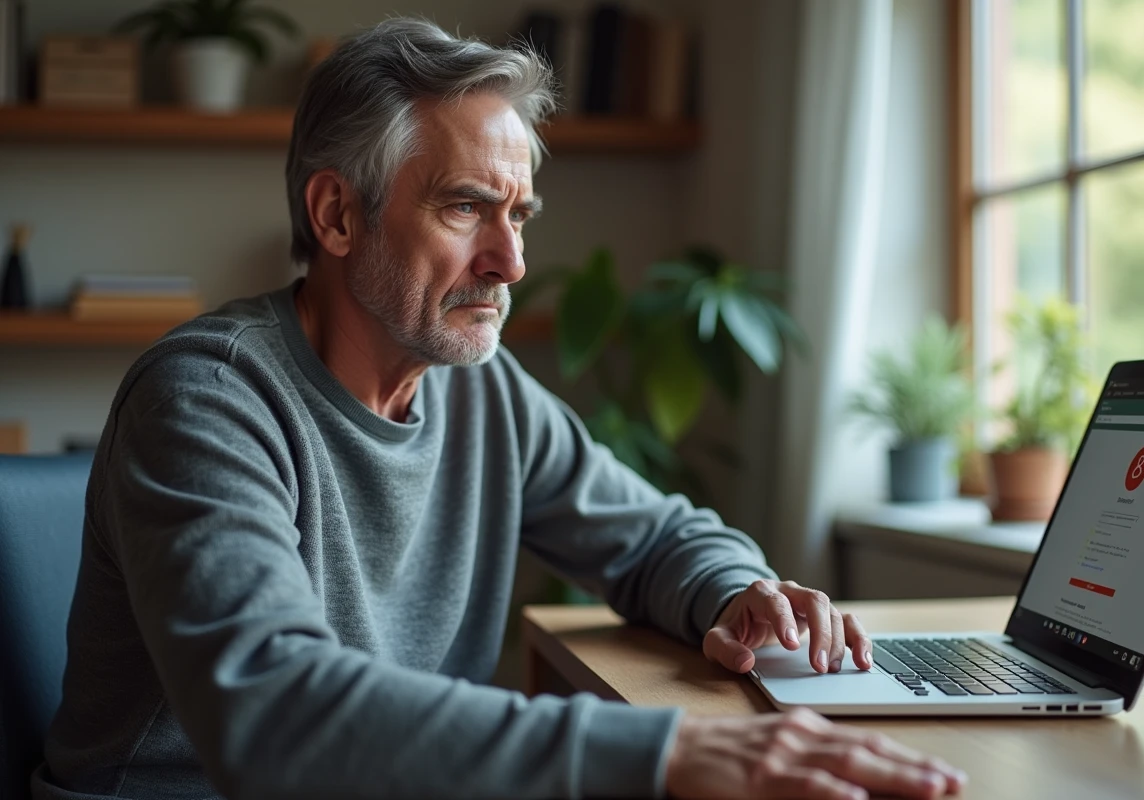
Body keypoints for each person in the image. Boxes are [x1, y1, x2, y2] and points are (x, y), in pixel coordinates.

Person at [32, 17, 965, 800]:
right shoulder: (206, 397)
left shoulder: (483, 394)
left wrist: (738, 594)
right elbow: (267, 706)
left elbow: (651, 539)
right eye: (466, 208)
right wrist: (668, 750)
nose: (511, 262)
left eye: (518, 216)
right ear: (338, 217)